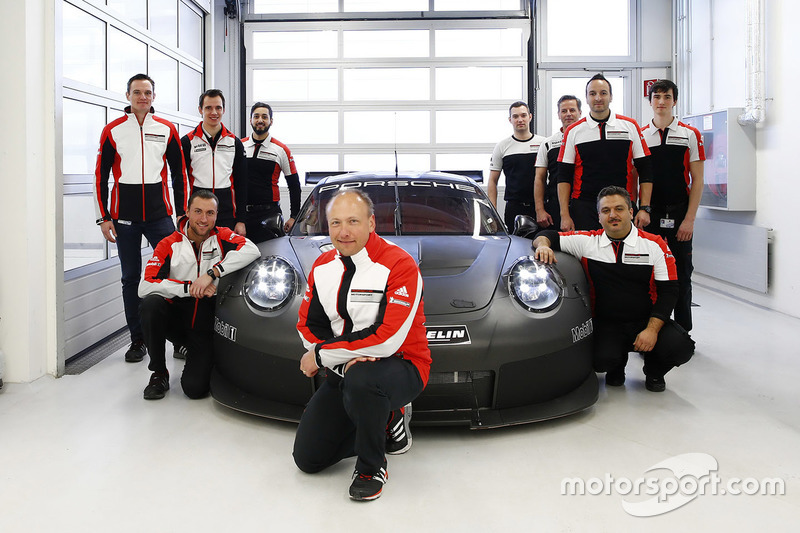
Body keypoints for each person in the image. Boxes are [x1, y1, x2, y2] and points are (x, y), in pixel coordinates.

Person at [293, 189, 431, 501]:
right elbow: (307, 326)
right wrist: (338, 360)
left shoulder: (400, 265)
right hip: (345, 370)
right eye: (335, 223)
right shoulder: (322, 267)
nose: (343, 232)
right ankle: (386, 418)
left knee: (363, 379)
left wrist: (321, 354)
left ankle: (372, 465)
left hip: (404, 365)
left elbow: (387, 339)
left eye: (353, 221)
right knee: (308, 459)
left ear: (371, 223)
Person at [532, 186, 694, 392]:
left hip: (646, 320)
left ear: (631, 212)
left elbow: (670, 291)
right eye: (606, 211)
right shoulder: (588, 242)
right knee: (601, 362)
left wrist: (652, 331)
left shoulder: (655, 245)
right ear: (598, 216)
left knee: (681, 347)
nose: (613, 215)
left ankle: (654, 371)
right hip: (608, 324)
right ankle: (616, 366)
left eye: (619, 209)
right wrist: (543, 246)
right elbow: (546, 235)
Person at [94, 73, 189, 363]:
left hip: (160, 216)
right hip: (125, 218)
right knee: (130, 278)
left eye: (147, 92)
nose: (142, 97)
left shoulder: (166, 129)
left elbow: (179, 174)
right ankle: (137, 340)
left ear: (153, 97)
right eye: (137, 92)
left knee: (172, 274)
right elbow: (101, 175)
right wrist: (104, 217)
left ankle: (178, 339)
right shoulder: (113, 130)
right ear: (127, 96)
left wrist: (182, 212)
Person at [138, 190, 259, 400]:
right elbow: (145, 285)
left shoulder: (222, 236)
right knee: (150, 305)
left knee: (194, 390)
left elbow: (252, 250)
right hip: (176, 316)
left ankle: (195, 353)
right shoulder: (168, 244)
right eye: (198, 211)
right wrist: (189, 287)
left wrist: (212, 274)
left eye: (210, 213)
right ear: (187, 212)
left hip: (205, 322)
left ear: (216, 215)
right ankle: (159, 373)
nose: (204, 219)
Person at [636, 79, 705, 332]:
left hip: (679, 214)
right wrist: (640, 210)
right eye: (657, 97)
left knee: (682, 275)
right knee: (649, 273)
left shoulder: (690, 134)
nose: (661, 102)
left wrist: (689, 219)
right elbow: (636, 178)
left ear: (674, 101)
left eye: (667, 97)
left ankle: (683, 330)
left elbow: (697, 181)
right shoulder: (641, 136)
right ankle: (650, 329)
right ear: (650, 101)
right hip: (649, 215)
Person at [557, 73, 653, 231]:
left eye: (603, 93)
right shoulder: (573, 131)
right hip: (585, 208)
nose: (598, 98)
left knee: (620, 254)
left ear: (611, 96)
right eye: (592, 94)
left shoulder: (630, 126)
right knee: (586, 255)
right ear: (587, 98)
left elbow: (645, 169)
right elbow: (563, 176)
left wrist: (644, 208)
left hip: (621, 206)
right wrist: (565, 215)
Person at [182, 89, 247, 235]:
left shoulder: (234, 142)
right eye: (208, 108)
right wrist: (182, 213)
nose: (214, 112)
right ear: (200, 110)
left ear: (224, 110)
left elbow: (241, 183)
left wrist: (241, 220)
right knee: (197, 255)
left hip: (226, 213)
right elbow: (181, 182)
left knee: (226, 256)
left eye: (218, 108)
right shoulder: (188, 142)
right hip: (198, 213)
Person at [241, 102, 302, 242]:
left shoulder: (281, 150)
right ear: (250, 120)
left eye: (264, 117)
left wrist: (294, 217)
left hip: (269, 215)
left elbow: (294, 185)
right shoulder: (240, 146)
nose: (260, 120)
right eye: (256, 116)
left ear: (271, 121)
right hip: (242, 216)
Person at [488, 101, 546, 232]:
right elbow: (492, 181)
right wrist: (492, 213)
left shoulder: (543, 143)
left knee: (543, 246)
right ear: (510, 120)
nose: (520, 119)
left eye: (523, 115)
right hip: (514, 208)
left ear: (530, 117)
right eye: (515, 116)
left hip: (541, 208)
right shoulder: (502, 146)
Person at [534, 95, 583, 231]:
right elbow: (539, 178)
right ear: (558, 115)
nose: (568, 114)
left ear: (580, 112)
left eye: (572, 110)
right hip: (555, 206)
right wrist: (540, 210)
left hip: (584, 204)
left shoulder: (588, 139)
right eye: (564, 111)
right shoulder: (548, 143)